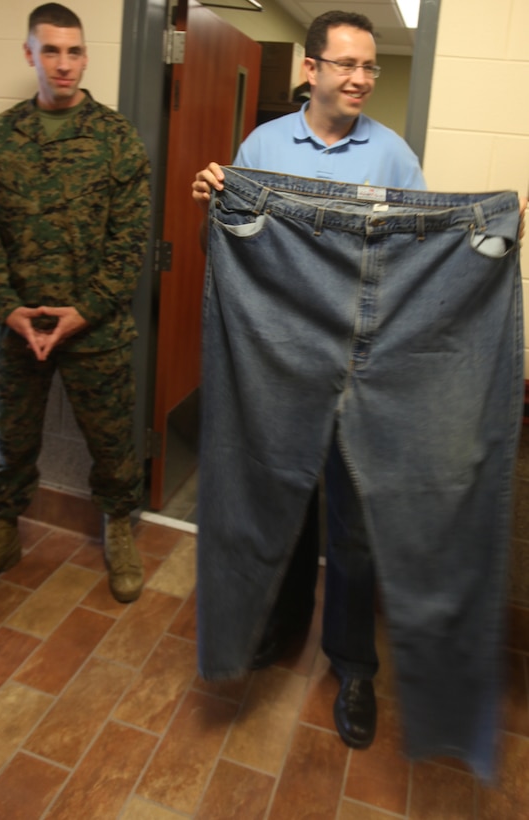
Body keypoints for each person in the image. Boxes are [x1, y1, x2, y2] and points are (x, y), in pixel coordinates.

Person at [192, 10, 527, 753]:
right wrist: (218, 191)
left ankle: (352, 668)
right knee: (272, 490)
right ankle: (271, 634)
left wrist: (487, 236)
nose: (361, 79)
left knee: (353, 524)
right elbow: (240, 241)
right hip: (281, 354)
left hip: (366, 359)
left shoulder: (395, 157)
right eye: (346, 65)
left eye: (371, 67)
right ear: (309, 69)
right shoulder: (264, 145)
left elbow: (420, 262)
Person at [0, 3, 151, 606]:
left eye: (74, 51)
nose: (64, 64)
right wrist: (5, 308)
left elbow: (129, 242)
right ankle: (2, 534)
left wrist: (86, 309)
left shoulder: (116, 138)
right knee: (10, 439)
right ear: (30, 55)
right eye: (51, 51)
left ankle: (118, 528)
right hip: (16, 325)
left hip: (94, 329)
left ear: (85, 57)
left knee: (112, 439)